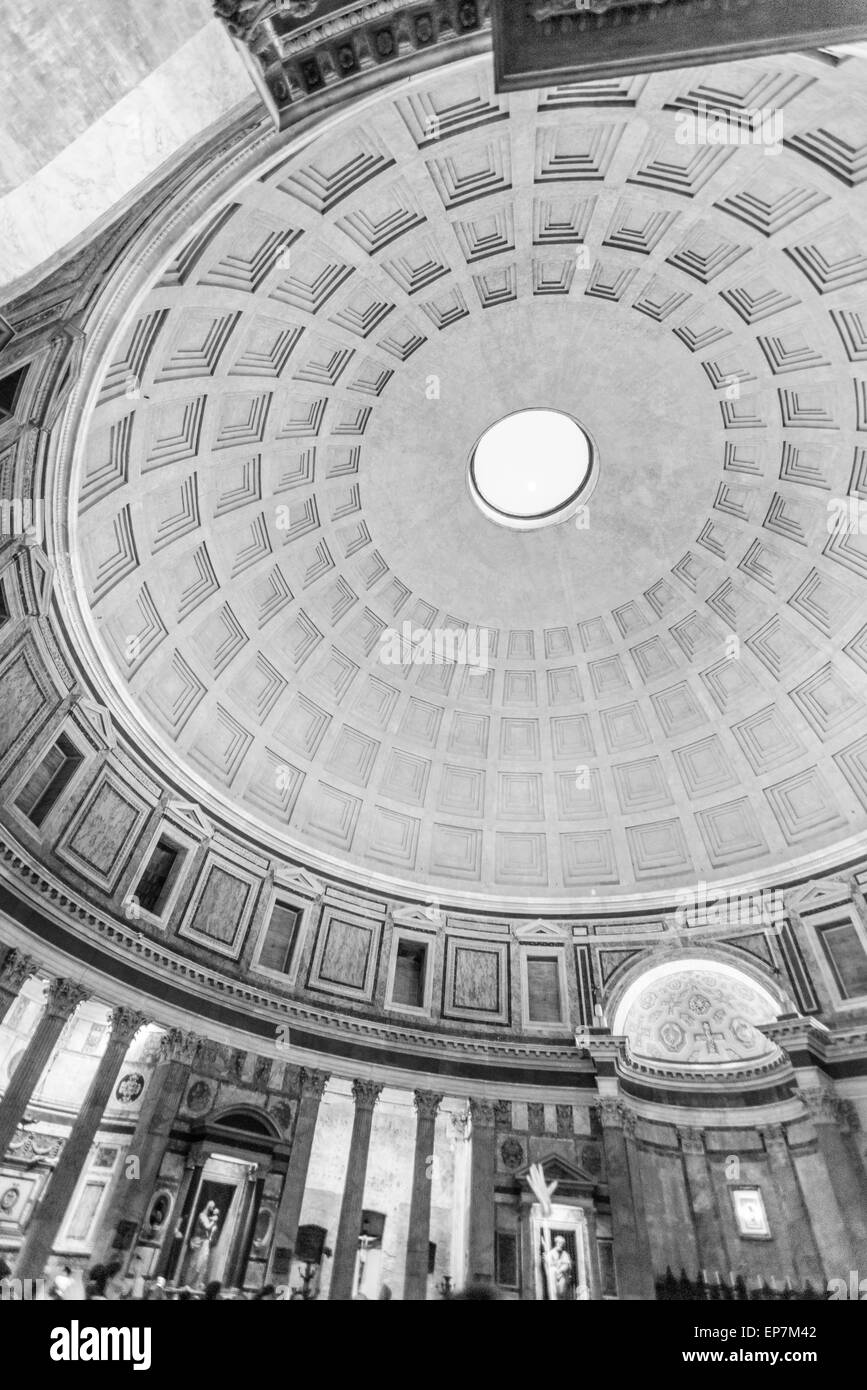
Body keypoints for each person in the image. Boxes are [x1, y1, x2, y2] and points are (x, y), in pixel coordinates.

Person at [186, 1200, 220, 1286]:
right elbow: (207, 1226)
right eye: (212, 1207)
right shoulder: (202, 1216)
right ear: (208, 1207)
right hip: (198, 1241)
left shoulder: (208, 1217)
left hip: (204, 1242)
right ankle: (189, 1284)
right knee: (195, 1264)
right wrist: (214, 1220)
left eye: (213, 1208)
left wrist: (214, 1219)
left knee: (202, 1264)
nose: (212, 1209)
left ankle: (196, 1285)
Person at [546, 1235, 573, 1300]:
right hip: (553, 1275)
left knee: (562, 1291)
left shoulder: (565, 1254)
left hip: (562, 1275)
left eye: (562, 1243)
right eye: (559, 1243)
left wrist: (560, 1270)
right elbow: (548, 1264)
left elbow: (567, 1264)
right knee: (554, 1291)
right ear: (556, 1243)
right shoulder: (551, 1253)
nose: (561, 1245)